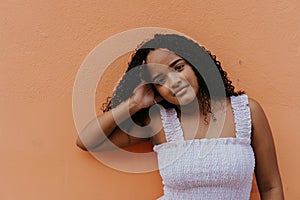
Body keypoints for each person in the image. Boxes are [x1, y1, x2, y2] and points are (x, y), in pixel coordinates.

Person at [76, 34, 284, 199]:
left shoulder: (246, 111)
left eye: (178, 67)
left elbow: (271, 186)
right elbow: (86, 141)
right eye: (160, 79)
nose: (173, 81)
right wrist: (134, 104)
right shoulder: (160, 123)